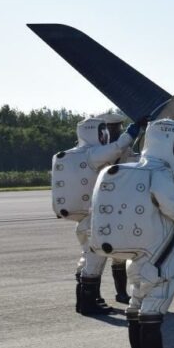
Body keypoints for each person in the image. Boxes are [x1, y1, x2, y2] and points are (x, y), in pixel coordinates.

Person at [90, 118, 174, 348]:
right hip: (158, 251)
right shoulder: (161, 173)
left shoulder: (135, 168)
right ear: (169, 142)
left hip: (137, 252)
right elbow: (172, 207)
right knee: (158, 294)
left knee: (137, 297)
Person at [51, 117, 138, 315]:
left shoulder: (72, 154)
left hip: (82, 219)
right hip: (93, 219)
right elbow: (117, 148)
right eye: (102, 132)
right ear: (93, 133)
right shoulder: (92, 154)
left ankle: (85, 300)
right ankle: (88, 303)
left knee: (87, 258)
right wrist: (132, 133)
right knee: (94, 261)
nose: (105, 136)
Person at [98, 112, 139, 304]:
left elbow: (135, 162)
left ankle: (121, 293)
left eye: (118, 127)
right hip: (106, 206)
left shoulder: (123, 147)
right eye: (114, 127)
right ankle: (96, 295)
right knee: (98, 255)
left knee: (120, 252)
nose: (117, 130)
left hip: (122, 204)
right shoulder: (103, 150)